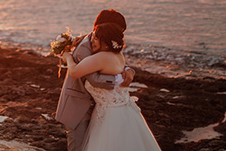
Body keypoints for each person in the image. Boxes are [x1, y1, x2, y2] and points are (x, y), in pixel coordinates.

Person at [62, 22, 161, 151]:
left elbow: (74, 72)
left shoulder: (101, 58)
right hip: (125, 111)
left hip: (110, 118)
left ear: (107, 43)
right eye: (93, 36)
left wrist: (68, 57)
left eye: (97, 38)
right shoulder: (118, 56)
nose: (92, 40)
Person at [55, 10, 136, 151]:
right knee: (78, 147)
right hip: (79, 106)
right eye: (118, 30)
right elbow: (95, 80)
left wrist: (129, 70)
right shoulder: (85, 49)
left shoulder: (104, 40)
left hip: (97, 106)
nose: (120, 35)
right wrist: (118, 79)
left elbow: (114, 61)